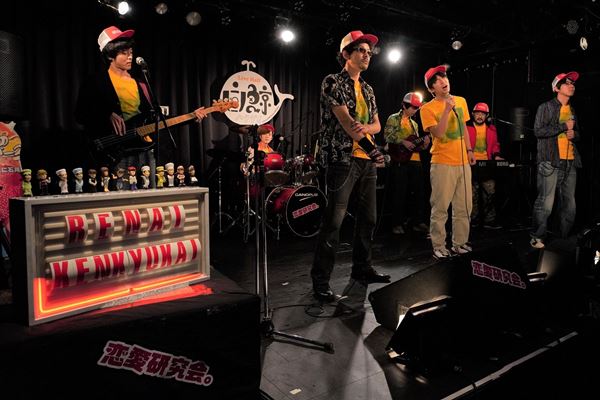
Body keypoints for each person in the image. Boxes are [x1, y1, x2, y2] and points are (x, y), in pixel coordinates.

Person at [311, 30, 390, 303]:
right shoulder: (332, 81)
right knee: (334, 221)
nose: (367, 55)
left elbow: (376, 125)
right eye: (361, 51)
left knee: (369, 218)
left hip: (366, 161)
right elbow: (347, 123)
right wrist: (373, 147)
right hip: (342, 158)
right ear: (346, 54)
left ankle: (362, 269)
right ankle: (320, 281)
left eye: (369, 52)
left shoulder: (368, 89)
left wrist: (366, 131)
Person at [75, 26, 206, 187]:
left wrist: (191, 116)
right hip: (115, 153)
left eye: (130, 52)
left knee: (150, 195)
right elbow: (80, 114)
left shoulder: (140, 84)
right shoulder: (95, 82)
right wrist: (107, 113)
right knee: (121, 196)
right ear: (110, 55)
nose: (130, 56)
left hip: (145, 151)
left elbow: (155, 120)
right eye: (124, 53)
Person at [420, 65, 475, 259]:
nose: (443, 81)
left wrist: (469, 150)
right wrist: (446, 110)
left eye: (444, 77)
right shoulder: (427, 108)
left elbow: (464, 128)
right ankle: (438, 245)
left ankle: (459, 243)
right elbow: (438, 133)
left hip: (462, 161)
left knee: (464, 206)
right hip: (442, 162)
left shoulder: (461, 101)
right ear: (431, 88)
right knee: (441, 207)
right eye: (437, 80)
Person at [530, 71, 581, 249]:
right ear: (557, 88)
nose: (571, 85)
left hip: (570, 161)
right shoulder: (546, 107)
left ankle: (563, 237)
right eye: (567, 83)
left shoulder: (572, 110)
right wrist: (563, 126)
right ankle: (537, 236)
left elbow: (577, 134)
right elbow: (538, 131)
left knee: (569, 204)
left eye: (573, 83)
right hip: (550, 161)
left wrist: (574, 134)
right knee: (546, 203)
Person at [384, 92, 430, 234]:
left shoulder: (414, 124)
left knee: (418, 193)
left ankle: (417, 222)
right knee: (400, 192)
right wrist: (403, 141)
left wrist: (424, 144)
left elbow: (415, 145)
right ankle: (397, 223)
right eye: (413, 107)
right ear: (404, 105)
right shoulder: (393, 118)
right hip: (400, 160)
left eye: (417, 108)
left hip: (415, 161)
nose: (415, 110)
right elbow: (387, 136)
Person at [466, 102, 503, 229]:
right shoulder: (467, 128)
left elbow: (495, 145)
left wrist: (496, 156)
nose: (480, 116)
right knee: (472, 194)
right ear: (473, 114)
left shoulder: (491, 129)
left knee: (490, 192)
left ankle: (489, 220)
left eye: (482, 114)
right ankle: (473, 220)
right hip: (470, 164)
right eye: (477, 113)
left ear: (487, 116)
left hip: (487, 164)